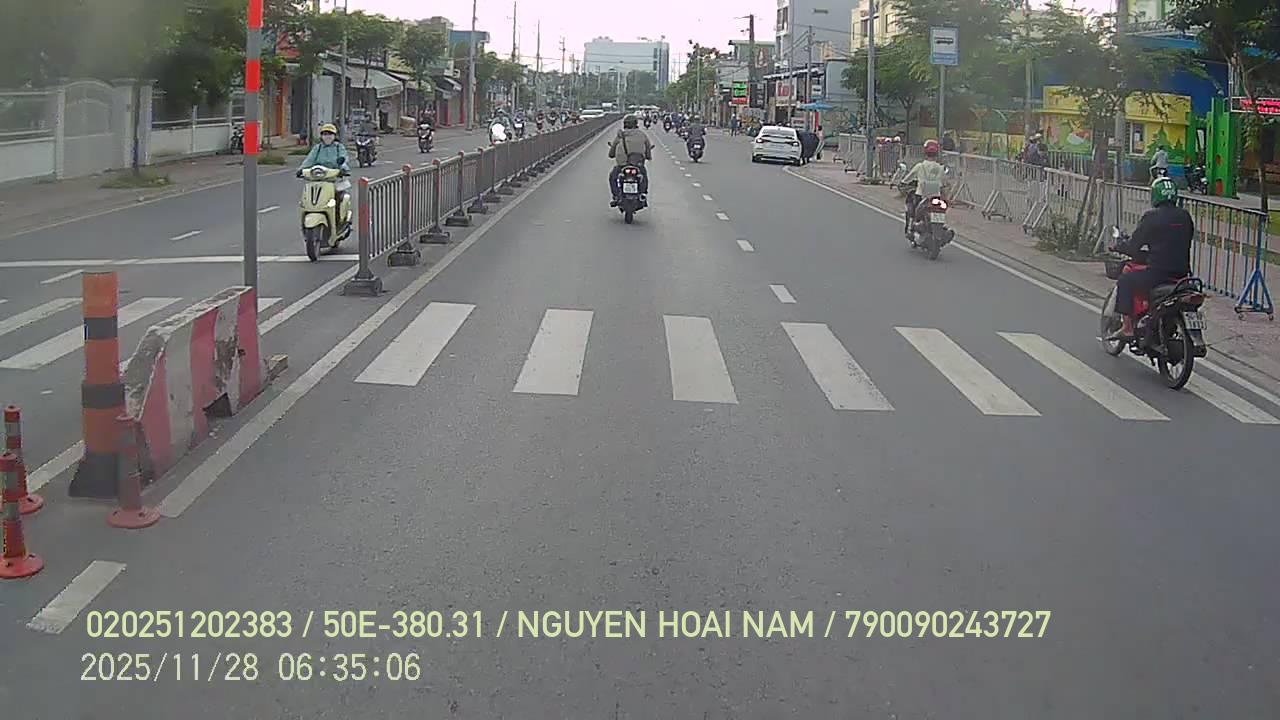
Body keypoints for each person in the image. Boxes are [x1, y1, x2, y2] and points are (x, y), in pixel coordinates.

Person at [1108, 177, 1193, 339]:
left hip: (1158, 274)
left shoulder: (1151, 217)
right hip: (1182, 274)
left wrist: (1119, 246)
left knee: (1125, 281)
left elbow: (1134, 246)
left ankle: (1127, 328)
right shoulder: (1185, 216)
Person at [899, 139, 946, 235]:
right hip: (936, 196)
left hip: (921, 195)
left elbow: (909, 177)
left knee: (913, 211)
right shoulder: (940, 168)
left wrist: (903, 182)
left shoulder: (920, 166)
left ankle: (911, 228)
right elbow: (945, 182)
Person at [297, 122, 351, 203]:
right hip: (318, 178)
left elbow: (343, 157)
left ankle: (337, 210)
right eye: (325, 134)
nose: (327, 137)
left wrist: (343, 168)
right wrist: (301, 169)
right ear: (321, 136)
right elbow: (309, 160)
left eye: (330, 134)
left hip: (335, 178)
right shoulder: (317, 148)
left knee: (339, 197)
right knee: (310, 195)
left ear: (334, 136)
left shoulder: (339, 147)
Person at [608, 114, 653, 206]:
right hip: (638, 164)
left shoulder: (620, 135)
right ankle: (642, 194)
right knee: (644, 176)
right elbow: (648, 150)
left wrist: (614, 153)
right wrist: (648, 157)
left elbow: (611, 154)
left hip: (622, 165)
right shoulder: (642, 135)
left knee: (613, 177)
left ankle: (616, 196)